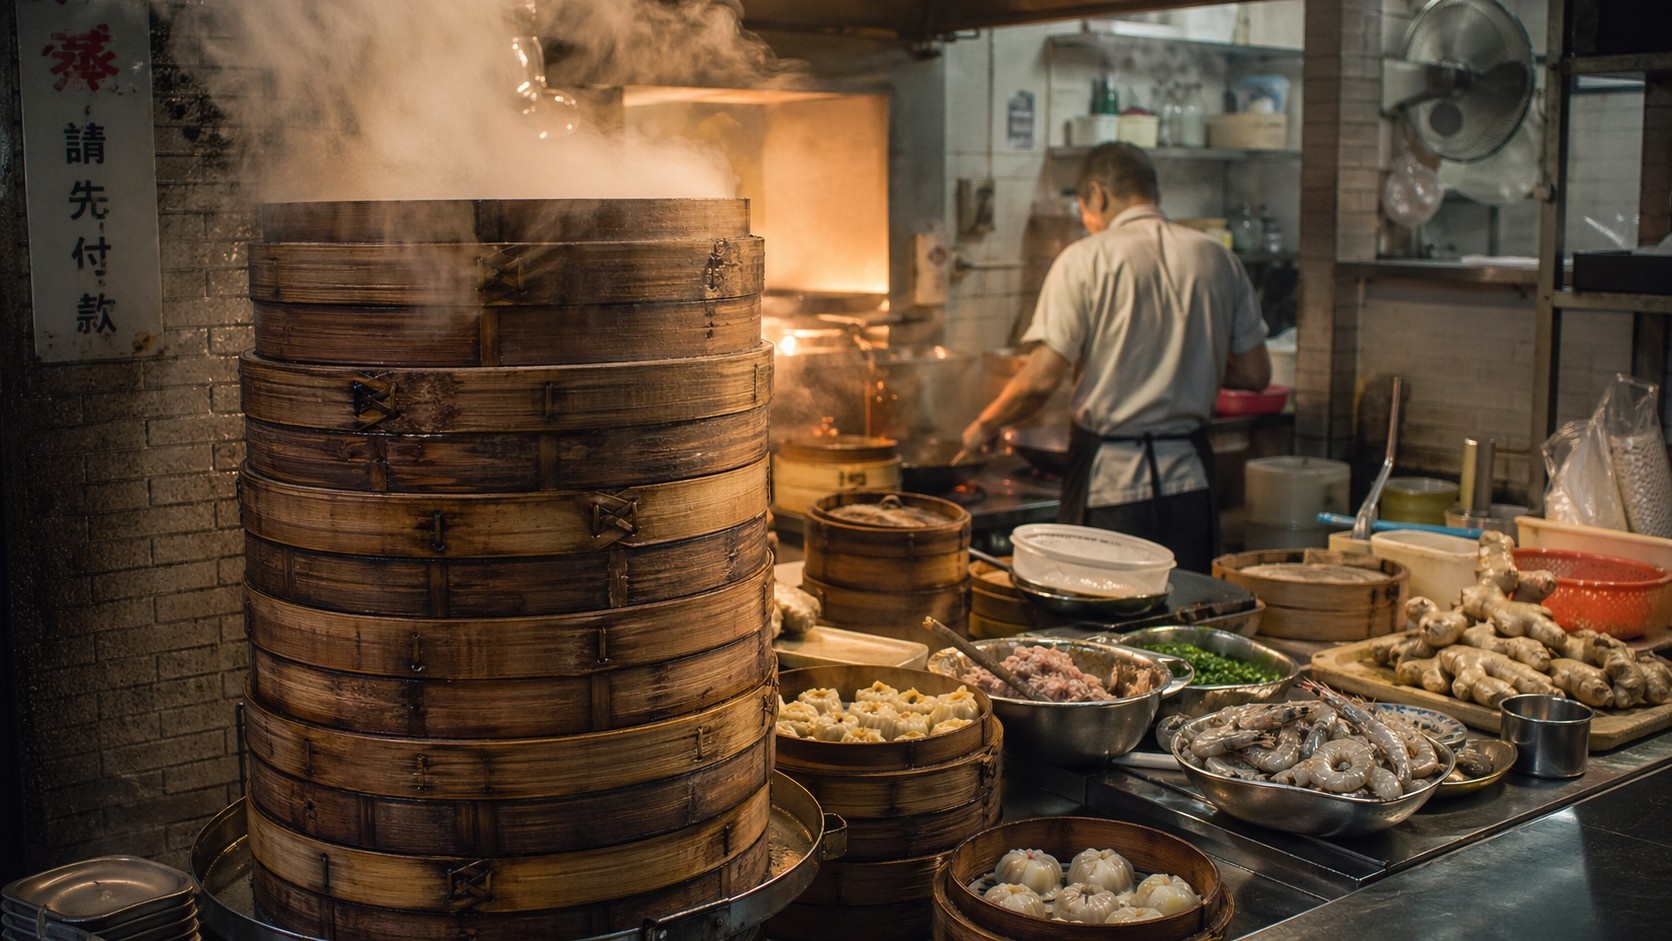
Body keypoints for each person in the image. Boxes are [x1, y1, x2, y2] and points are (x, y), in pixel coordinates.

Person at [960, 142, 1271, 573]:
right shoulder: (1217, 258)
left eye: (1084, 209)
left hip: (1112, 487)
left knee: (1102, 626)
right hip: (1191, 483)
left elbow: (1040, 380)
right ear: (1154, 193)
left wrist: (985, 424)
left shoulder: (1086, 260)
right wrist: (1188, 359)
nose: (1088, 223)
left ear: (1096, 195)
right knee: (1183, 619)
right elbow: (1256, 373)